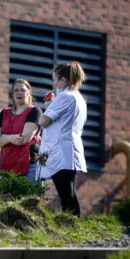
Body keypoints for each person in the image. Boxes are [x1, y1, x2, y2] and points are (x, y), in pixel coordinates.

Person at [35, 61, 88, 217]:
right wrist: (52, 104)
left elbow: (43, 121)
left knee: (66, 196)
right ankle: (74, 227)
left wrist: (48, 106)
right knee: (69, 194)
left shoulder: (64, 96)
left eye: (55, 80)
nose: (54, 83)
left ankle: (72, 228)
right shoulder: (79, 98)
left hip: (60, 152)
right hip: (70, 150)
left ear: (63, 81)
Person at [0, 78, 43, 183]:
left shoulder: (34, 111)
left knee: (29, 199)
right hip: (5, 168)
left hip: (29, 166)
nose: (19, 93)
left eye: (23, 90)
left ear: (29, 93)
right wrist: (9, 138)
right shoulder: (4, 113)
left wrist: (3, 138)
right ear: (12, 94)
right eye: (16, 90)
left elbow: (23, 139)